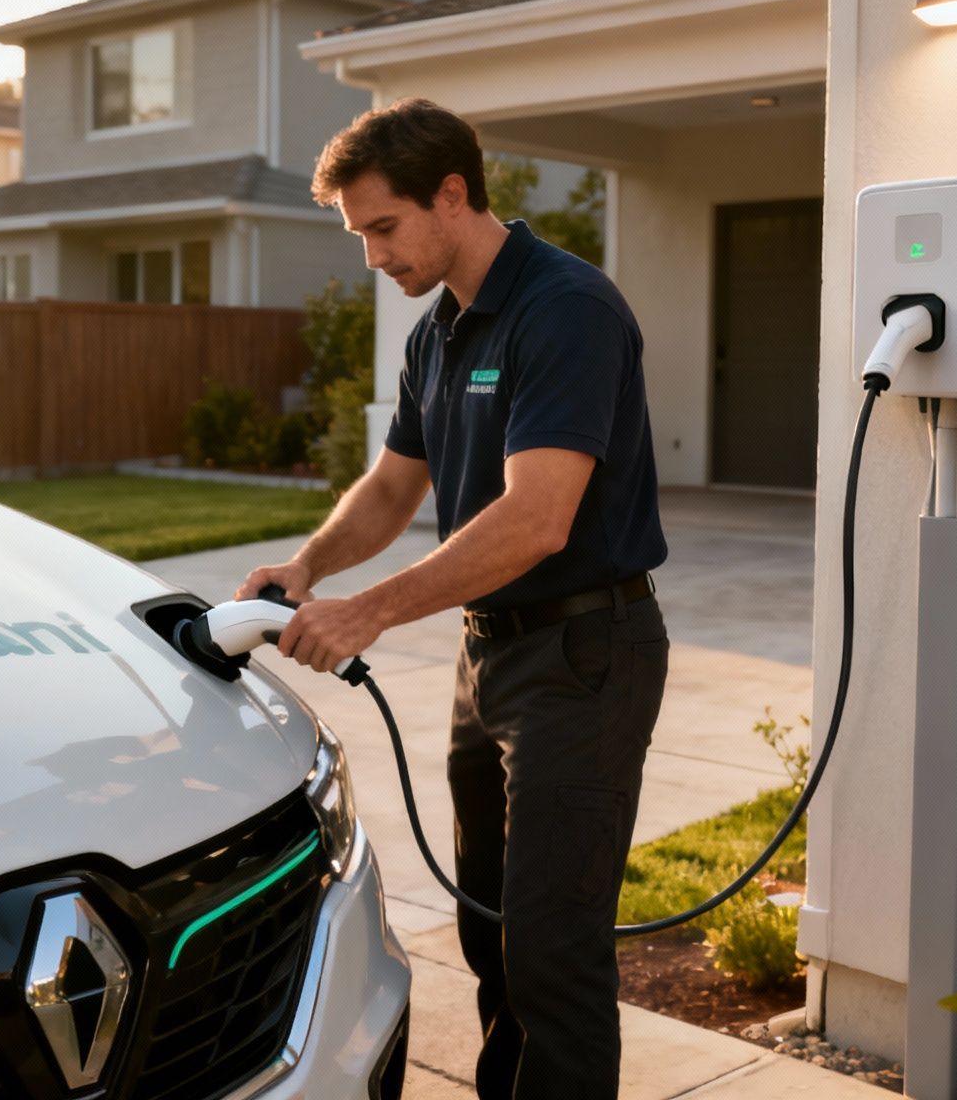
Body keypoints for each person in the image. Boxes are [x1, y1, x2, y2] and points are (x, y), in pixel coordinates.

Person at [235, 98, 669, 1099]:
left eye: (383, 228)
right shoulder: (436, 334)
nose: (372, 257)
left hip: (583, 655)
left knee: (553, 953)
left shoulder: (565, 308)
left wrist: (369, 611)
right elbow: (393, 488)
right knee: (492, 933)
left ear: (451, 194)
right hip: (492, 657)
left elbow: (537, 518)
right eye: (359, 235)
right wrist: (308, 569)